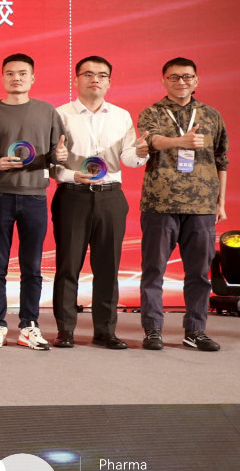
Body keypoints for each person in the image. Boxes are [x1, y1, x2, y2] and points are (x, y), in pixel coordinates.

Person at [49, 56, 146, 349]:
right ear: (76, 79)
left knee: (108, 267)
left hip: (110, 197)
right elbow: (52, 162)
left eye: (102, 75)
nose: (95, 79)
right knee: (68, 266)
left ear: (109, 82)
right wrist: (71, 175)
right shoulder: (60, 115)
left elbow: (128, 158)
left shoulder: (121, 115)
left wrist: (141, 152)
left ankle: (105, 331)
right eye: (88, 74)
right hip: (73, 195)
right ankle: (65, 330)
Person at [0, 53, 69, 351]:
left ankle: (29, 325)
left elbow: (58, 152)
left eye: (22, 73)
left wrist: (60, 157)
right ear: (2, 77)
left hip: (35, 196)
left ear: (32, 78)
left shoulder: (47, 111)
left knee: (32, 266)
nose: (16, 78)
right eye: (10, 73)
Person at [137, 57, 227, 352]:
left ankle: (195, 331)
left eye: (187, 77)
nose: (181, 82)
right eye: (174, 77)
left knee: (199, 274)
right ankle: (152, 329)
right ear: (163, 81)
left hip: (201, 206)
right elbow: (152, 141)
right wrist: (181, 141)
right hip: (159, 204)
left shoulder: (211, 115)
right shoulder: (152, 112)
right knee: (153, 270)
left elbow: (221, 160)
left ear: (196, 80)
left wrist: (220, 202)